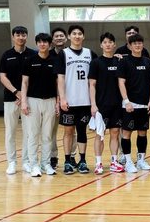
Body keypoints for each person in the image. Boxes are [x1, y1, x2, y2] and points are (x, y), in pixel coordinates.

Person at [56, 25, 96, 174]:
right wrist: (62, 98)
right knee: (68, 131)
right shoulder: (63, 54)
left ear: (83, 36)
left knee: (82, 131)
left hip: (85, 101)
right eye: (74, 33)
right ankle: (67, 161)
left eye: (80, 33)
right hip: (69, 101)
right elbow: (60, 78)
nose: (77, 36)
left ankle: (83, 161)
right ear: (69, 36)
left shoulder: (90, 54)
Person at [0, 25, 35, 175]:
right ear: (13, 37)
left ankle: (26, 162)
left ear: (27, 36)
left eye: (23, 35)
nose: (21, 37)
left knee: (29, 132)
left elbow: (35, 77)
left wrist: (24, 96)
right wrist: (16, 92)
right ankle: (12, 162)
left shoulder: (33, 54)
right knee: (10, 132)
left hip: (28, 100)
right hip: (10, 99)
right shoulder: (6, 55)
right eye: (18, 35)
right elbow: (2, 77)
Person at [20, 33, 56, 177]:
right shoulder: (29, 60)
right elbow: (24, 82)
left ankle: (45, 164)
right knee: (33, 135)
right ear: (36, 44)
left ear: (50, 44)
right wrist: (24, 101)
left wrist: (58, 101)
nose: (42, 44)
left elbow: (58, 83)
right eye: (40, 42)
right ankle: (33, 164)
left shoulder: (55, 60)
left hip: (50, 101)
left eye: (45, 42)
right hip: (32, 100)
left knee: (47, 135)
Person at [117, 33, 150, 173]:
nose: (138, 45)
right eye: (135, 43)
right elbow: (121, 82)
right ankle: (128, 162)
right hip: (130, 104)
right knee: (126, 133)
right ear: (130, 46)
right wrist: (126, 101)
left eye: (140, 43)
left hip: (144, 104)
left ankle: (141, 160)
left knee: (142, 133)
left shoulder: (147, 62)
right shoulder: (124, 62)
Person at [88, 32, 124, 174]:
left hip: (117, 104)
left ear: (114, 45)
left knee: (115, 133)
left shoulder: (119, 61)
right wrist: (93, 104)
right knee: (99, 134)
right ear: (101, 45)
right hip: (101, 105)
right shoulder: (96, 62)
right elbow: (92, 84)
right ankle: (98, 163)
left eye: (110, 42)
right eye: (105, 42)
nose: (108, 44)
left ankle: (114, 161)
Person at [49, 27, 67, 169]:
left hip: (69, 98)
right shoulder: (47, 55)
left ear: (66, 38)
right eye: (56, 36)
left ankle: (71, 156)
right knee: (51, 130)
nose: (59, 38)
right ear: (52, 39)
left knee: (70, 129)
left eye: (62, 36)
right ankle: (53, 156)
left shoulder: (70, 54)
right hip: (52, 98)